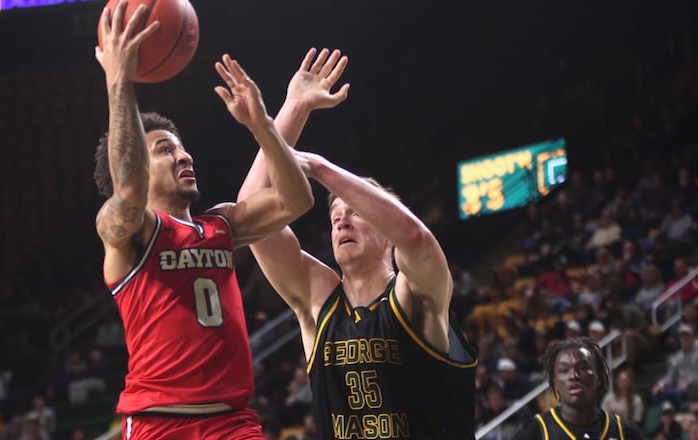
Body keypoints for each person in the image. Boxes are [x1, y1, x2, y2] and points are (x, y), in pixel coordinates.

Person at [92, 2, 346, 438]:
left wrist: (262, 125)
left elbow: (295, 200)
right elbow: (130, 189)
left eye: (181, 147)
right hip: (160, 422)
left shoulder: (221, 226)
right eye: (165, 150)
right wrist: (121, 80)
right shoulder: (128, 232)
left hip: (232, 420)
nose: (184, 155)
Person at [236, 74, 477, 439]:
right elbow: (250, 214)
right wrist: (289, 113)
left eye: (355, 213)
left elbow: (414, 236)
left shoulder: (413, 294)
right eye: (335, 218)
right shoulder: (318, 297)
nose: (342, 221)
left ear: (386, 235)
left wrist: (319, 169)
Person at [513, 338, 645, 440]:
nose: (573, 376)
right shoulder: (535, 432)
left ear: (599, 377)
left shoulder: (625, 432)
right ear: (555, 382)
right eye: (564, 370)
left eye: (582, 368)